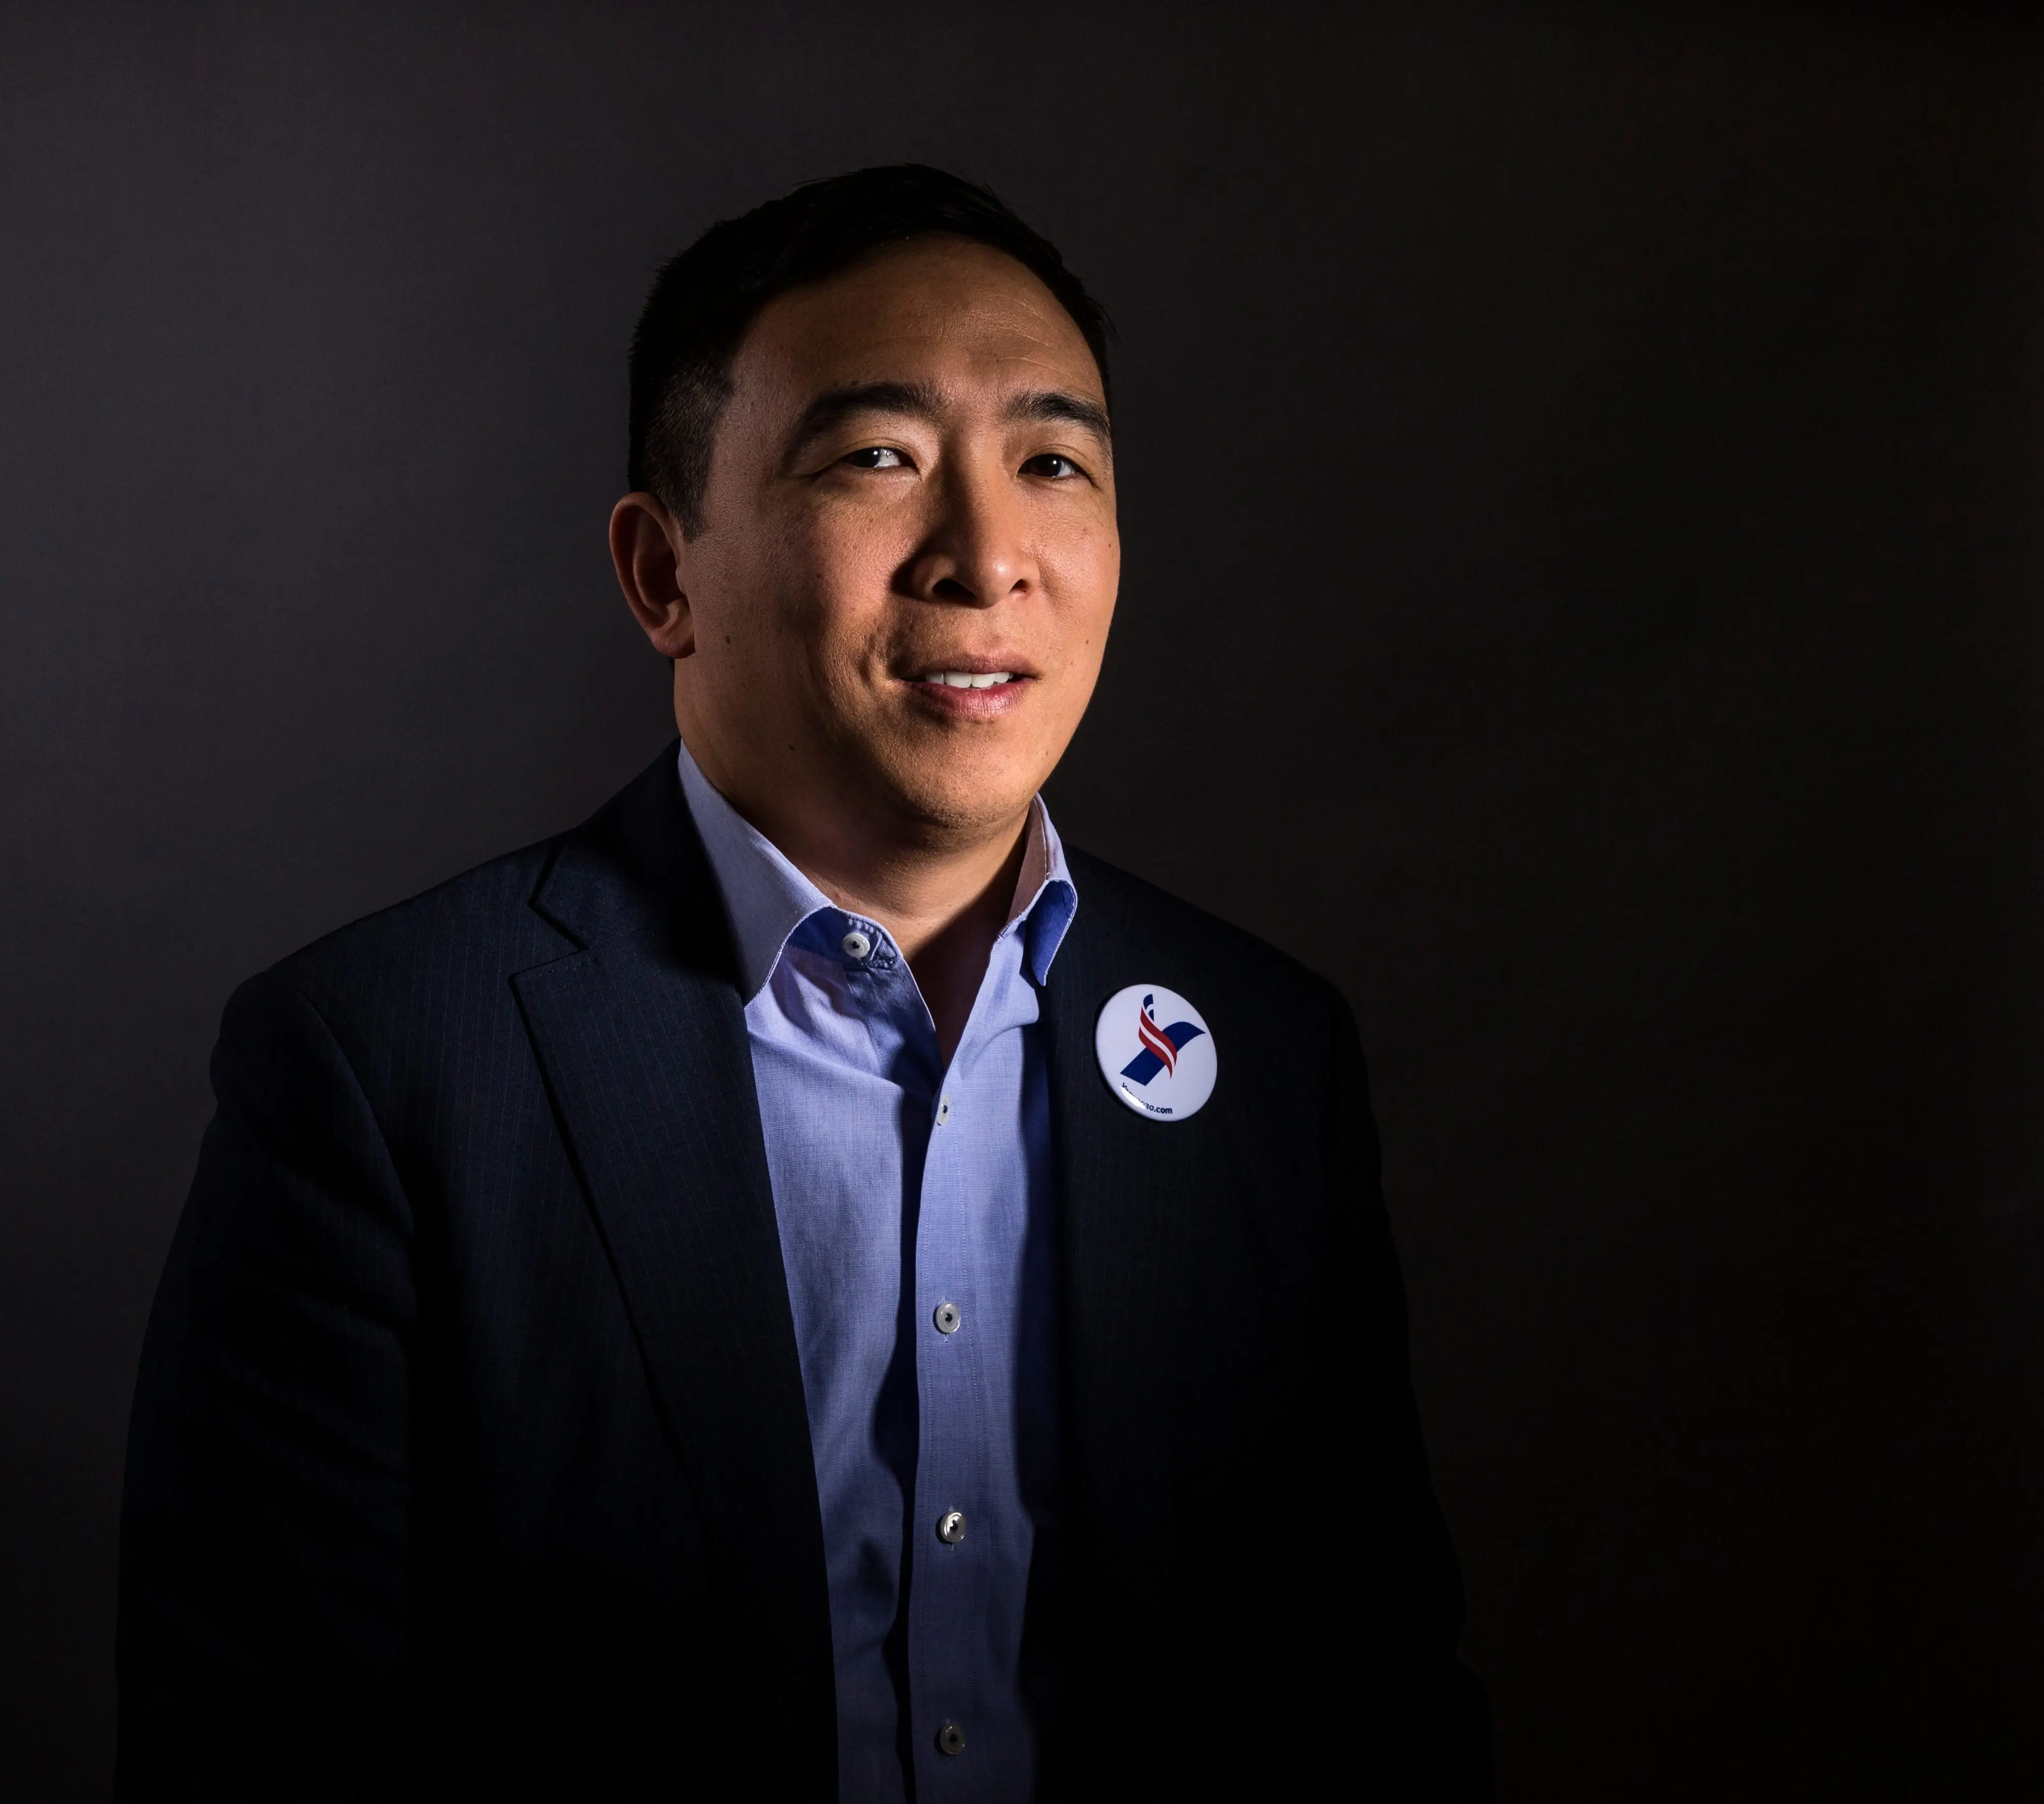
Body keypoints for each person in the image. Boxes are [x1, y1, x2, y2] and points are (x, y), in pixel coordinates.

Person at [115, 164, 1491, 1801]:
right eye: (879, 460)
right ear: (662, 574)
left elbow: (1375, 1703)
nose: (988, 557)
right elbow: (267, 1753)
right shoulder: (383, 1065)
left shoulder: (1265, 1051)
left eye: (1054, 461)